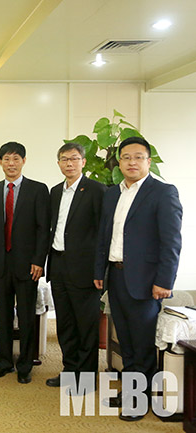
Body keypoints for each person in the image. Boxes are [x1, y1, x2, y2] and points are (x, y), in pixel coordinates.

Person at [94, 136, 182, 421]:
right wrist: (99, 272)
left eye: (138, 157)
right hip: (116, 277)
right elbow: (104, 236)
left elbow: (171, 242)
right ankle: (131, 391)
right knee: (126, 342)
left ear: (148, 161)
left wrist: (164, 281)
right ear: (119, 162)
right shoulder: (113, 193)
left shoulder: (163, 192)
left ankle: (140, 401)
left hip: (146, 282)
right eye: (126, 157)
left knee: (142, 345)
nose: (132, 162)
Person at [0, 141, 50, 384]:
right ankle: (3, 362)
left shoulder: (38, 190)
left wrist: (38, 261)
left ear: (23, 161)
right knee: (3, 316)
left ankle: (25, 365)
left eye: (16, 159)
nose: (11, 164)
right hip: (0, 264)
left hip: (27, 265)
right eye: (6, 159)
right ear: (0, 162)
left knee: (26, 316)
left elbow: (43, 229)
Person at [45, 142, 106, 388]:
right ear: (58, 163)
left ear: (83, 162)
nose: (69, 163)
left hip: (85, 269)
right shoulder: (55, 192)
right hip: (58, 265)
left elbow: (103, 233)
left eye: (74, 158)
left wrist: (100, 270)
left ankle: (87, 378)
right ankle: (69, 371)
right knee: (65, 324)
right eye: (64, 159)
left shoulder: (96, 190)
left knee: (86, 325)